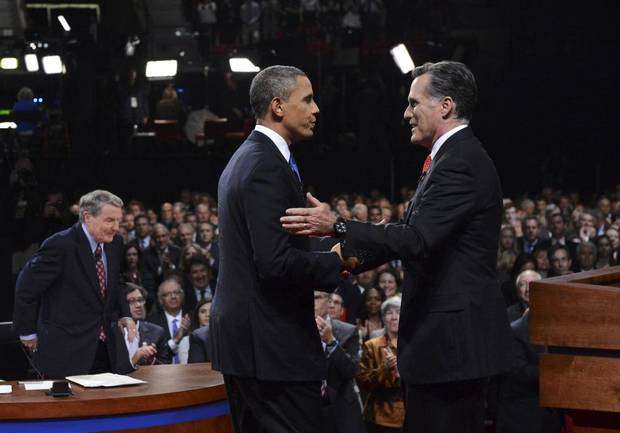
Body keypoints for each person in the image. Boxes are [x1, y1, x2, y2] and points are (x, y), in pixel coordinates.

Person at [281, 61, 514, 433]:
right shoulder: (449, 159)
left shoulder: (462, 162)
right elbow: (407, 234)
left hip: (452, 348)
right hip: (442, 347)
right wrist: (338, 261)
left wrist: (338, 224)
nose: (406, 113)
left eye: (413, 102)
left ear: (446, 106)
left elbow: (416, 240)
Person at [209, 65, 344, 433]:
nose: (316, 109)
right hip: (270, 347)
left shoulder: (247, 157)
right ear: (278, 106)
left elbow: (272, 244)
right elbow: (273, 262)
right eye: (308, 99)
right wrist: (334, 262)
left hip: (251, 345)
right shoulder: (265, 165)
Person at [13, 190, 131, 378]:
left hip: (107, 347)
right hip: (67, 350)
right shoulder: (60, 245)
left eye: (118, 220)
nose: (116, 227)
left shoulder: (115, 242)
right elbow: (26, 286)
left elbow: (115, 280)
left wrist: (125, 314)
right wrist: (27, 331)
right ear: (87, 217)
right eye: (110, 220)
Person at [314, 290, 364, 433]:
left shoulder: (348, 331)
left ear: (329, 302)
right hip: (307, 406)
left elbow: (351, 370)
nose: (312, 302)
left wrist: (331, 342)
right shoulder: (296, 330)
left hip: (340, 406)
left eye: (317, 297)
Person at [357, 296, 404, 433]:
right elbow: (363, 381)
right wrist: (385, 368)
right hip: (379, 415)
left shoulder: (414, 345)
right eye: (389, 313)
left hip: (410, 412)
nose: (394, 317)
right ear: (383, 318)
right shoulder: (372, 345)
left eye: (398, 312)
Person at [114, 284, 171, 373]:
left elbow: (166, 369)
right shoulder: (110, 332)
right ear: (121, 305)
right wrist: (136, 357)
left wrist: (151, 361)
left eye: (140, 300)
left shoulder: (157, 332)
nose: (138, 305)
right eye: (131, 301)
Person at [188, 298, 212, 363]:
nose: (207, 315)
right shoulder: (186, 340)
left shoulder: (223, 337)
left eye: (211, 311)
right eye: (203, 312)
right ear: (197, 316)